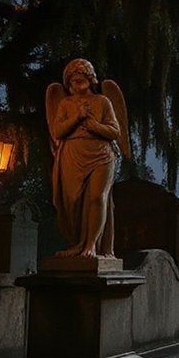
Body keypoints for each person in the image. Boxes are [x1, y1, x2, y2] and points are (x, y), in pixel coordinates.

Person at [46, 59, 123, 258]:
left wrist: (93, 125)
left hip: (101, 154)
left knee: (97, 198)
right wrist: (77, 117)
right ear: (68, 83)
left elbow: (115, 132)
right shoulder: (65, 103)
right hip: (73, 153)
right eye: (73, 81)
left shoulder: (103, 102)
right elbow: (58, 131)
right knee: (73, 201)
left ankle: (91, 245)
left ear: (90, 79)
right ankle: (77, 243)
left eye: (81, 80)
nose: (77, 84)